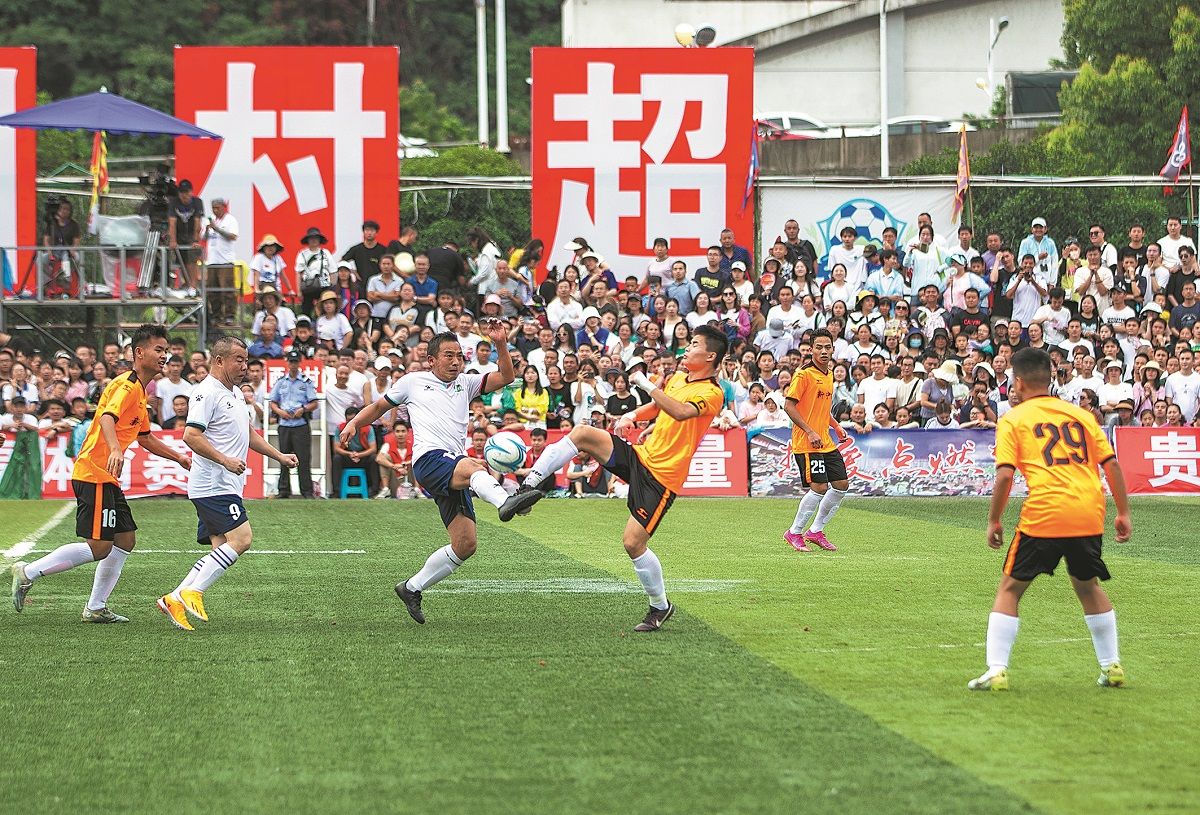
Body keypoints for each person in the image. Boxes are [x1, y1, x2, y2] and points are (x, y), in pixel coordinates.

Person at [514, 325, 728, 632]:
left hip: (662, 478)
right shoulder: (679, 377)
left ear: (709, 356)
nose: (687, 348)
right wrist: (631, 415)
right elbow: (659, 405)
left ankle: (660, 606)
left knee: (632, 544)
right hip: (642, 456)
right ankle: (529, 485)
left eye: (693, 344)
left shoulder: (712, 392)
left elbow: (680, 412)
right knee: (583, 433)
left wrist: (643, 382)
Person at [339, 320, 544, 624]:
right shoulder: (412, 381)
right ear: (432, 360)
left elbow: (506, 376)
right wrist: (354, 423)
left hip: (452, 465)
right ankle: (505, 501)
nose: (456, 361)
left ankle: (411, 587)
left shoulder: (467, 382)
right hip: (429, 460)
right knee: (474, 466)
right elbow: (380, 407)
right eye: (449, 355)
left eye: (460, 356)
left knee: (465, 544)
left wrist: (500, 342)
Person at [968, 347, 1132, 692]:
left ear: (1018, 382)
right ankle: (1112, 665)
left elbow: (1003, 477)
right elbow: (1112, 465)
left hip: (1045, 511)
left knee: (1010, 589)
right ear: (1050, 378)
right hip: (1088, 511)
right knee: (1087, 585)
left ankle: (997, 669)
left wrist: (994, 520)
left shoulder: (1014, 418)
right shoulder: (1082, 415)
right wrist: (1124, 512)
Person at [10, 324, 192, 623]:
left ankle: (95, 607)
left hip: (104, 476)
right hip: (94, 472)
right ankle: (28, 571)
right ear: (139, 352)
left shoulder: (138, 392)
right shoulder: (126, 386)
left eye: (165, 350)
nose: (164, 355)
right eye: (158, 349)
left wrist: (179, 458)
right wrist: (116, 450)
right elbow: (107, 418)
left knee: (125, 539)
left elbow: (145, 437)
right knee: (99, 546)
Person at [156, 336, 297, 631]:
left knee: (220, 549)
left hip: (226, 483)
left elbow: (249, 435)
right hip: (212, 483)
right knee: (242, 540)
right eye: (239, 360)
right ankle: (190, 592)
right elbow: (191, 436)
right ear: (219, 360)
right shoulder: (206, 392)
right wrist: (224, 460)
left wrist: (279, 456)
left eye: (246, 360)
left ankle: (173, 598)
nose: (245, 366)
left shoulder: (233, 394)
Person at [782, 330, 852, 553]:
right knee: (819, 487)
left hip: (826, 441)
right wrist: (810, 432)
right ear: (811, 349)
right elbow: (789, 406)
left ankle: (816, 531)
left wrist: (836, 426)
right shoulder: (804, 375)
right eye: (819, 347)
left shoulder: (829, 374)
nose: (824, 351)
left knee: (841, 484)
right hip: (807, 442)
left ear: (833, 349)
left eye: (827, 347)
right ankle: (794, 532)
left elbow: (821, 410)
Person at [269, 351, 319, 498]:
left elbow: (314, 403)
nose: (293, 365)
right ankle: (284, 490)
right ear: (287, 363)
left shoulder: (306, 382)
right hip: (284, 423)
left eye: (295, 362)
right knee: (283, 457)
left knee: (303, 458)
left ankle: (307, 491)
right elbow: (273, 402)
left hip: (300, 423)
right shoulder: (280, 381)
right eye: (291, 362)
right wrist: (279, 412)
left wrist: (303, 409)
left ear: (299, 363)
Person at [203, 198, 239, 327]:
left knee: (227, 290)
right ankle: (216, 315)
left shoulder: (230, 220)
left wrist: (216, 229)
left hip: (225, 260)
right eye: (213, 208)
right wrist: (208, 229)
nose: (215, 210)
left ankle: (229, 316)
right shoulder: (211, 219)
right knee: (212, 290)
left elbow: (233, 236)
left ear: (224, 207)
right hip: (212, 261)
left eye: (217, 208)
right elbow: (203, 238)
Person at [295, 227, 335, 316]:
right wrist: (299, 291)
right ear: (308, 240)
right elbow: (298, 273)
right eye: (311, 238)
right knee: (306, 310)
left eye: (316, 238)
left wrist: (332, 288)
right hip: (308, 285)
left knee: (325, 310)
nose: (314, 240)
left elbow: (332, 271)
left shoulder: (325, 253)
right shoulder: (302, 254)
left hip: (324, 284)